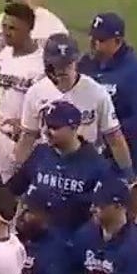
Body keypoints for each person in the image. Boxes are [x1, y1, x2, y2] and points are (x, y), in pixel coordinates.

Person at [79, 13, 137, 242]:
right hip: (101, 161)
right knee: (101, 216)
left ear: (118, 41)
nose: (95, 44)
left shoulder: (136, 73)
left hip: (136, 159)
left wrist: (106, 131)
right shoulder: (86, 65)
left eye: (101, 40)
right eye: (93, 38)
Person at [16, 33, 132, 175]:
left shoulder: (97, 92)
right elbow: (27, 138)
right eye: (58, 64)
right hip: (50, 170)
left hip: (88, 170)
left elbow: (114, 138)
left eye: (68, 63)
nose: (63, 69)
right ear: (48, 64)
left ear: (76, 61)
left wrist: (127, 173)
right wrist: (18, 171)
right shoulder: (35, 93)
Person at [8, 100, 125, 233]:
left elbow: (104, 216)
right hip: (34, 239)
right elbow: (13, 188)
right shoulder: (40, 153)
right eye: (45, 125)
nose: (46, 131)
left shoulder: (97, 166)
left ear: (74, 127)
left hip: (71, 245)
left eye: (54, 127)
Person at [0, 3, 46, 177]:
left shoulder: (41, 64)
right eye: (4, 27)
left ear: (29, 29)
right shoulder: (4, 55)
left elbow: (47, 104)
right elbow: (4, 92)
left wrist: (25, 124)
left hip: (29, 142)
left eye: (12, 28)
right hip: (2, 138)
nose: (6, 32)